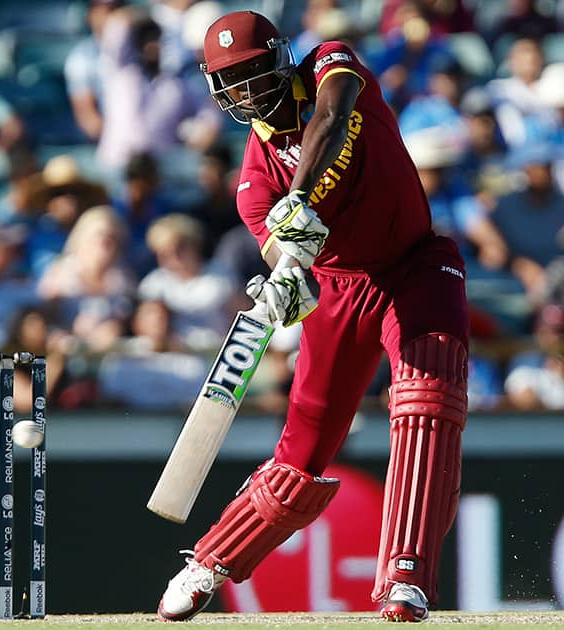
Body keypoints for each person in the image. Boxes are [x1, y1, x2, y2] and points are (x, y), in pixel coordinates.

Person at [156, 11, 469, 623]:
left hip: (415, 263)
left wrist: (298, 198)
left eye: (253, 74)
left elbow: (331, 115)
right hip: (339, 287)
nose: (246, 94)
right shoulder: (252, 180)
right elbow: (277, 251)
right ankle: (212, 561)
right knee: (304, 447)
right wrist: (286, 281)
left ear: (279, 58)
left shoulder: (332, 63)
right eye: (231, 83)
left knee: (427, 396)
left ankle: (405, 575)